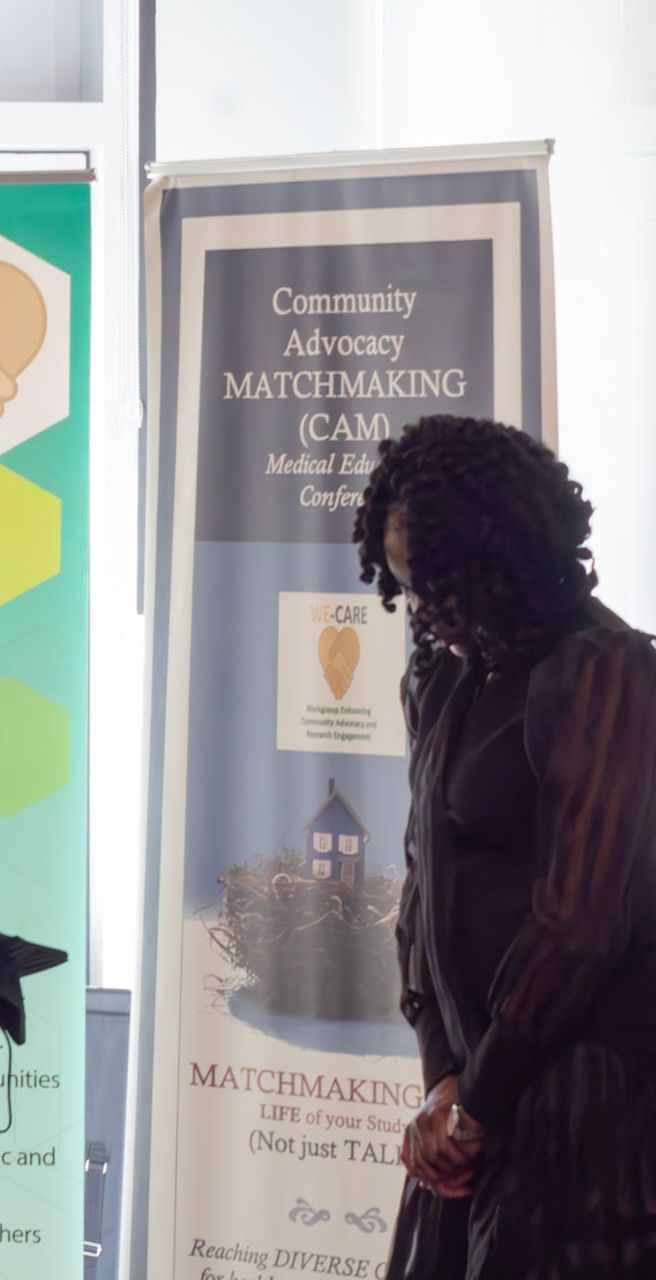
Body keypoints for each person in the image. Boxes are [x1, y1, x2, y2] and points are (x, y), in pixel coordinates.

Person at [353, 415, 656, 1278]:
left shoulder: (605, 668)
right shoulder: (441, 675)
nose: (423, 614)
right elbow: (423, 889)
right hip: (469, 1105)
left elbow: (580, 925)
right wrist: (441, 1081)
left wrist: (477, 1104)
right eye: (407, 589)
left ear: (501, 562)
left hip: (583, 1114)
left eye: (439, 590)